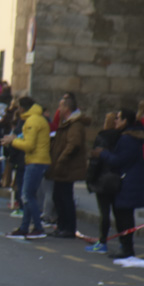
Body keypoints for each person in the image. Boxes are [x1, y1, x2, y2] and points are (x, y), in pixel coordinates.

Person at [93, 109, 144, 258]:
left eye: (118, 118)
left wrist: (102, 153)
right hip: (128, 181)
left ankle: (127, 248)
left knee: (124, 218)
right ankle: (125, 246)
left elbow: (118, 160)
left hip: (127, 182)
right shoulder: (129, 137)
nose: (115, 121)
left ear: (125, 121)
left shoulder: (127, 139)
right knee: (124, 216)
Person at [3, 96, 50, 239]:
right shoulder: (36, 118)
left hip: (36, 161)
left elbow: (29, 145)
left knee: (27, 195)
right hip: (37, 160)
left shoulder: (32, 121)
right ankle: (24, 227)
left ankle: (37, 227)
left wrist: (13, 141)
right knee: (29, 196)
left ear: (22, 108)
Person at [46, 95, 89, 238]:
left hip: (67, 167)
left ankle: (68, 228)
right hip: (62, 167)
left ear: (67, 108)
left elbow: (73, 144)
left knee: (64, 197)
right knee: (58, 196)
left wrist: (61, 159)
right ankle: (62, 225)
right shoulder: (66, 122)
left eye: (61, 106)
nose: (59, 109)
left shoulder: (75, 124)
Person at [83, 112, 123, 253]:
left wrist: (90, 179)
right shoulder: (122, 138)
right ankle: (123, 242)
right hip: (117, 178)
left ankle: (102, 241)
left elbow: (95, 161)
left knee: (104, 212)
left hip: (103, 179)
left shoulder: (102, 137)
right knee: (119, 213)